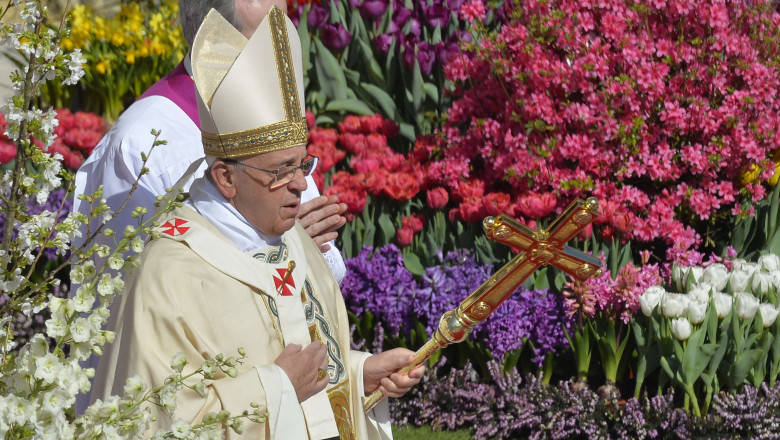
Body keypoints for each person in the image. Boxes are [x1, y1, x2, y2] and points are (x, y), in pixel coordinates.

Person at [91, 7, 423, 439]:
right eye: (280, 171)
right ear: (226, 178)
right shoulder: (169, 274)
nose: (301, 184)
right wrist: (277, 388)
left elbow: (305, 365)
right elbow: (161, 420)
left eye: (302, 164)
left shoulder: (293, 239)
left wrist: (359, 373)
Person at [72, 0, 348, 282]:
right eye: (265, 43)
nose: (281, 56)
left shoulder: (272, 115)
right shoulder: (139, 145)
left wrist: (301, 250)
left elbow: (327, 259)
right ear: (210, 41)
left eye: (285, 35)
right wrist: (281, 250)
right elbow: (132, 287)